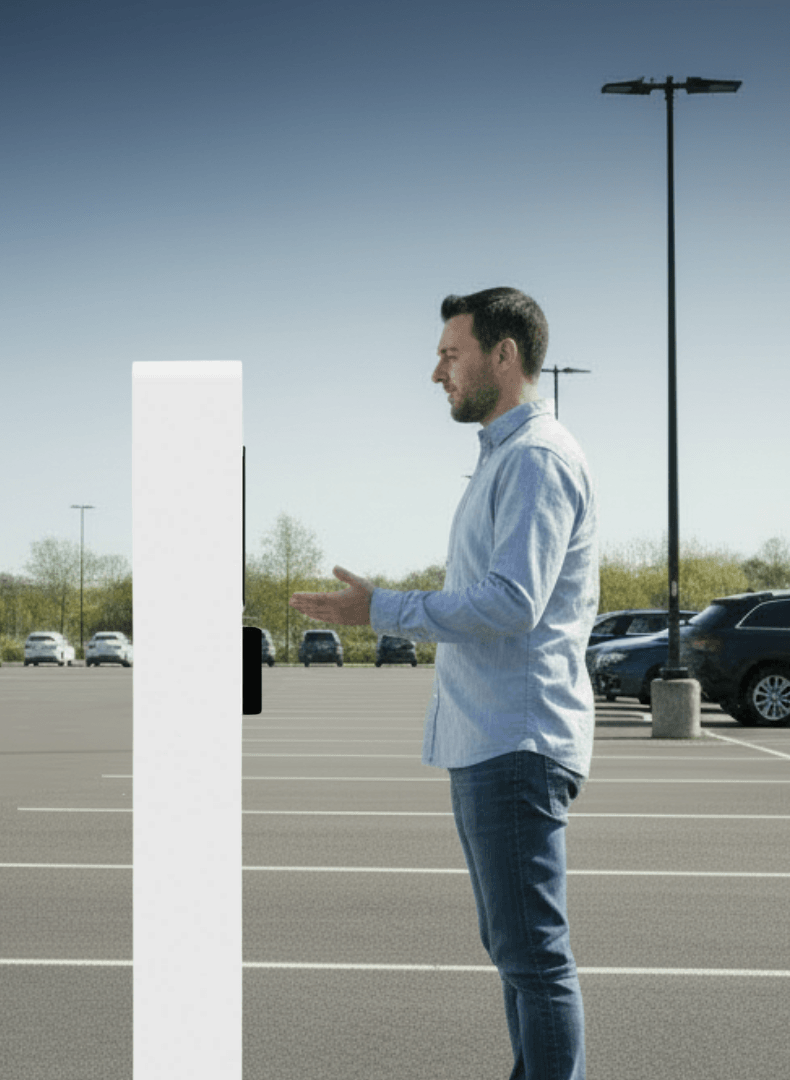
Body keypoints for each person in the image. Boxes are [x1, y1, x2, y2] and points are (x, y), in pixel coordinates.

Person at [290, 287, 597, 1080]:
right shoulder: (505, 458)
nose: (437, 373)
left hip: (515, 741)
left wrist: (380, 608)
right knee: (516, 953)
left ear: (505, 356)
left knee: (534, 957)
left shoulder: (535, 460)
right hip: (490, 739)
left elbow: (513, 602)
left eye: (450, 354)